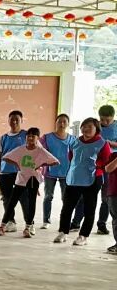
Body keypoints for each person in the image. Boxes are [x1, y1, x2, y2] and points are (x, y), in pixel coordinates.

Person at [55, 118, 112, 246]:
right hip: (74, 179)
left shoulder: (102, 143)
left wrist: (95, 166)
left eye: (89, 127)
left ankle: (83, 236)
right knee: (67, 207)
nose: (86, 129)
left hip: (92, 179)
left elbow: (106, 161)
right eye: (84, 126)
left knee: (89, 209)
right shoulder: (76, 141)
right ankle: (63, 232)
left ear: (96, 129)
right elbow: (71, 157)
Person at [0, 128, 58, 238]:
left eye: (33, 136)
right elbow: (5, 157)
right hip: (21, 178)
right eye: (28, 136)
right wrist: (17, 164)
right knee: (12, 202)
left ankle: (28, 227)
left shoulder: (40, 150)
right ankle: (2, 226)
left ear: (37, 138)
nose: (30, 138)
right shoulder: (21, 149)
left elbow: (55, 161)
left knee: (31, 203)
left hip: (33, 179)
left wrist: (41, 164)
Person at [0, 111, 28, 232]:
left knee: (24, 198)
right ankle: (11, 222)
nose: (14, 122)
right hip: (5, 173)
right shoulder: (3, 138)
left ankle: (29, 223)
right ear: (8, 121)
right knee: (7, 199)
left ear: (21, 120)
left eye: (17, 119)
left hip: (21, 173)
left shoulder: (26, 135)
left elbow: (35, 152)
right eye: (12, 119)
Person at [41, 114, 74, 229]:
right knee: (48, 196)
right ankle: (46, 220)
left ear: (68, 124)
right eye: (60, 121)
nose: (62, 124)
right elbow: (41, 152)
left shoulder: (72, 139)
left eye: (64, 121)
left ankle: (65, 220)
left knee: (66, 198)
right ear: (55, 123)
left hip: (66, 172)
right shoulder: (46, 137)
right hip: (50, 172)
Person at [96, 105, 116, 236]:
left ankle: (101, 224)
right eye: (102, 120)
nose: (105, 123)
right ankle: (76, 222)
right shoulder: (95, 126)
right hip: (96, 164)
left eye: (107, 120)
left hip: (112, 165)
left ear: (113, 117)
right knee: (85, 196)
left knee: (106, 197)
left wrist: (110, 143)